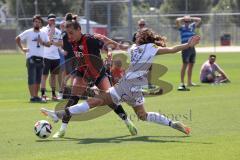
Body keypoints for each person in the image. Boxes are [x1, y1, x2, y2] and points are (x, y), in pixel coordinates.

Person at [41, 28, 200, 136]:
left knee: (95, 101)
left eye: (137, 35)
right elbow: (171, 50)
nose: (135, 36)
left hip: (126, 85)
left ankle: (58, 115)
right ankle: (172, 124)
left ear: (142, 38)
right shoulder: (142, 48)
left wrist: (187, 44)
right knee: (143, 115)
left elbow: (119, 46)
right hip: (135, 88)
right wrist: (187, 45)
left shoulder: (144, 47)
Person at [50, 19, 137, 138]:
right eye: (67, 33)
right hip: (82, 73)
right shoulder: (71, 41)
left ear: (79, 30)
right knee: (73, 98)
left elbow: (107, 47)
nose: (69, 36)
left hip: (98, 73)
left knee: (111, 100)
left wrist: (109, 53)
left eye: (71, 33)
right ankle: (62, 129)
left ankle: (128, 123)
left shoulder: (90, 40)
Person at [15, 15, 51, 102]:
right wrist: (22, 48)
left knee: (38, 78)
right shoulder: (29, 32)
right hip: (31, 57)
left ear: (41, 24)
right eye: (35, 22)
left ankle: (36, 96)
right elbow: (17, 39)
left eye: (39, 22)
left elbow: (49, 44)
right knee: (32, 77)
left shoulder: (43, 33)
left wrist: (42, 42)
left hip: (40, 58)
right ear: (33, 22)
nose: (37, 23)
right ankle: (32, 97)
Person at [40, 14, 63, 101]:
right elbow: (47, 42)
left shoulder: (58, 31)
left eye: (54, 20)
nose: (52, 21)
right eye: (51, 20)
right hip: (45, 56)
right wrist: (51, 34)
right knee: (44, 75)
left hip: (56, 57)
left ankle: (53, 94)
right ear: (48, 20)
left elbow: (61, 43)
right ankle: (43, 94)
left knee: (54, 76)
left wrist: (53, 42)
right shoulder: (43, 30)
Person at [176, 15, 201, 91]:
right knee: (184, 65)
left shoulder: (192, 26)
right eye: (186, 21)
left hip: (192, 48)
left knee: (191, 65)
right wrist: (184, 18)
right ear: (184, 22)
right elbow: (177, 20)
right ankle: (182, 82)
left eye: (188, 21)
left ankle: (189, 82)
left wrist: (190, 18)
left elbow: (199, 19)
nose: (187, 22)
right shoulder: (182, 28)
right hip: (185, 48)